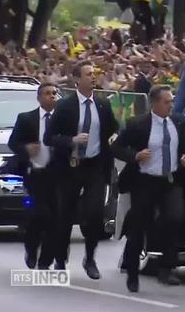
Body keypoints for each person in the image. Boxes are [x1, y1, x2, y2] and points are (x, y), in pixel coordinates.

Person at [43, 61, 119, 279]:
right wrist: (71, 140)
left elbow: (113, 128)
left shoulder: (102, 105)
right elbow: (49, 137)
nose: (93, 77)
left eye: (94, 73)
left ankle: (90, 258)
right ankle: (60, 259)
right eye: (88, 74)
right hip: (69, 167)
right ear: (77, 80)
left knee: (94, 214)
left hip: (94, 165)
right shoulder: (65, 106)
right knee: (64, 215)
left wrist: (113, 139)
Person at [112, 85, 185, 292]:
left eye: (172, 101)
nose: (171, 105)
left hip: (170, 180)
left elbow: (184, 145)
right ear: (154, 104)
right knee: (139, 226)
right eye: (166, 102)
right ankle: (132, 272)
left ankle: (167, 268)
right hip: (145, 181)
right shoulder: (138, 124)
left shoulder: (178, 122)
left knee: (174, 218)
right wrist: (135, 156)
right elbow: (116, 148)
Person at [8, 83, 58, 270]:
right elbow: (13, 143)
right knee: (37, 216)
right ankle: (31, 248)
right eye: (47, 93)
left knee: (54, 219)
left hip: (56, 176)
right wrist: (26, 149)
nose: (51, 96)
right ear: (39, 98)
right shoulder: (26, 118)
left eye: (54, 93)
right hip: (35, 175)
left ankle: (46, 259)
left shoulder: (62, 120)